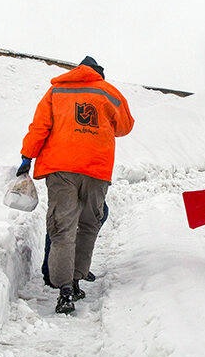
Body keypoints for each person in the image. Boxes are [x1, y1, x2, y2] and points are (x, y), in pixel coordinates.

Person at [17, 56, 134, 314]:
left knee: (62, 228)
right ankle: (78, 279)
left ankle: (65, 290)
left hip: (61, 170)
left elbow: (40, 127)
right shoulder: (110, 93)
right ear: (98, 73)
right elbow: (125, 126)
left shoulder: (56, 91)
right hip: (96, 169)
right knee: (89, 225)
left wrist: (27, 156)